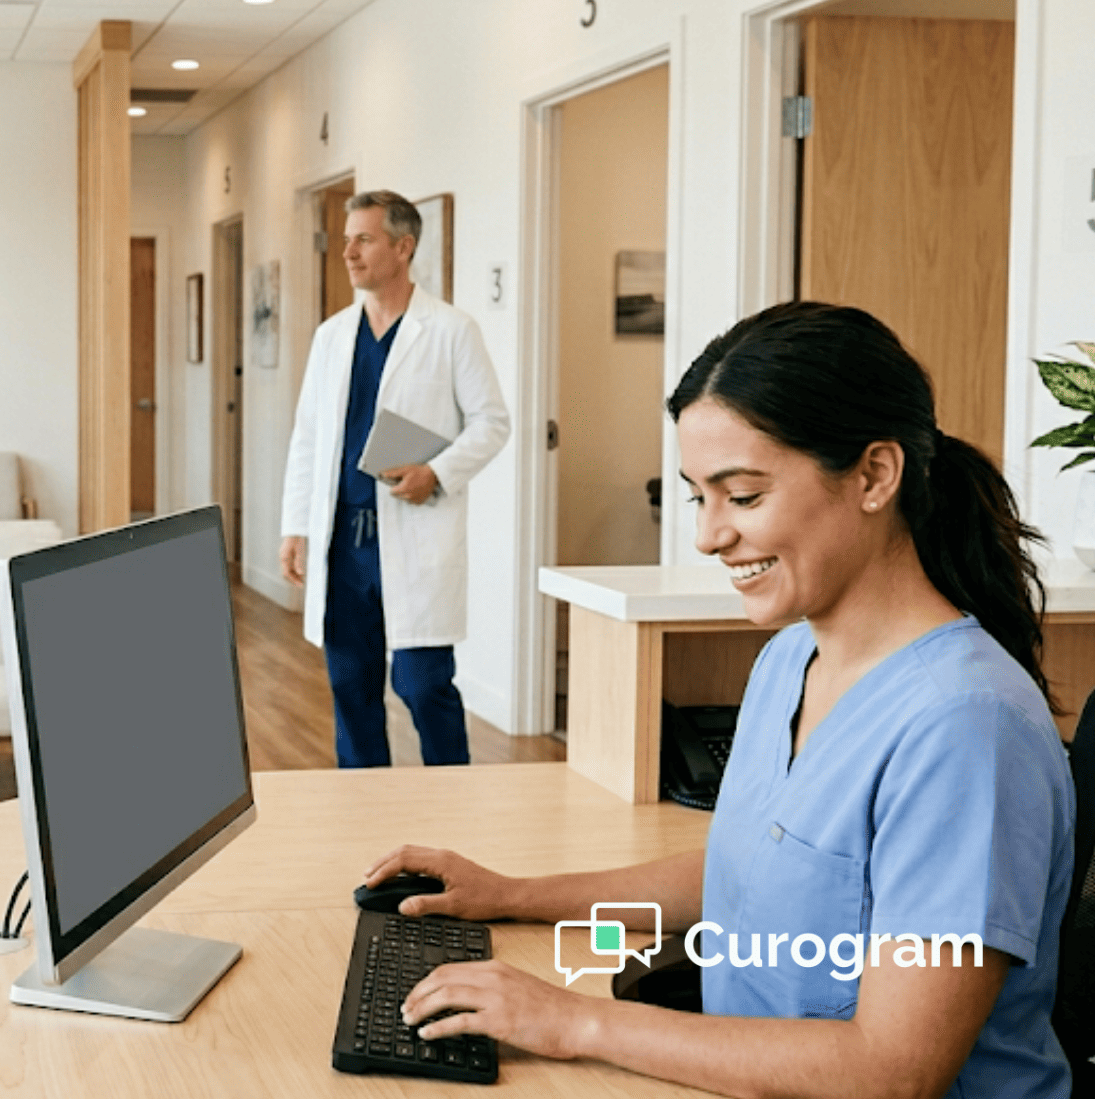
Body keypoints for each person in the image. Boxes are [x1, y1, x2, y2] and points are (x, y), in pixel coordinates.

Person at [361, 302, 1075, 1097]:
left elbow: (892, 1068)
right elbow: (748, 873)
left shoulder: (966, 727)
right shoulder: (788, 659)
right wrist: (510, 896)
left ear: (875, 474)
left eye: (742, 496)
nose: (706, 535)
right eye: (699, 496)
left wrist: (575, 1020)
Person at [279, 190, 510, 768]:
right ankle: (366, 813)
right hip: (343, 542)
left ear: (403, 248)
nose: (348, 252)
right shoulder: (333, 336)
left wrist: (437, 471)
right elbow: (308, 437)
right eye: (346, 239)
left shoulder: (452, 330)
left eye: (364, 239)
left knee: (423, 686)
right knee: (350, 689)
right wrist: (295, 527)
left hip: (411, 535)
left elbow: (493, 422)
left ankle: (450, 804)